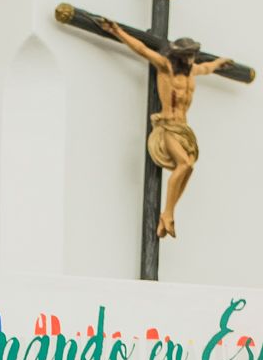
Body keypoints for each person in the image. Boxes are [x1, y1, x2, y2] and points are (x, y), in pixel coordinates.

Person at [96, 17, 233, 237]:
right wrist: (117, 31)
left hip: (184, 129)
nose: (190, 59)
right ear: (179, 55)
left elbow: (207, 68)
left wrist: (220, 63)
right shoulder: (165, 67)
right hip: (168, 127)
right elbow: (141, 48)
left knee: (188, 167)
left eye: (193, 54)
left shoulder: (192, 71)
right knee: (184, 164)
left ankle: (168, 215)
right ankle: (168, 214)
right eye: (187, 54)